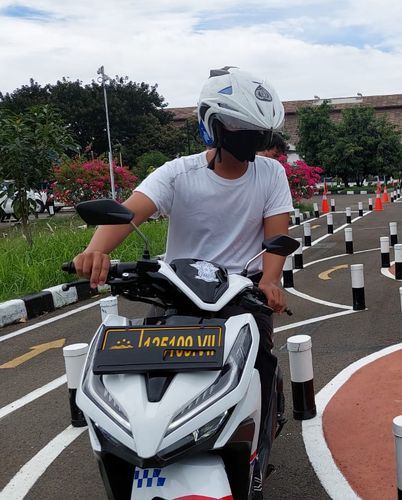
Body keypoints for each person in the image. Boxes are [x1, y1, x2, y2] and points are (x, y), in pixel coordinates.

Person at [72, 66, 293, 499]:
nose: (254, 139)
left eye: (258, 131)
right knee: (145, 372)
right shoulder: (178, 173)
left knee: (260, 365)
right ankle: (145, 446)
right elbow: (131, 211)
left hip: (240, 293)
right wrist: (97, 250)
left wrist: (270, 280)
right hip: (177, 290)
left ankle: (255, 459)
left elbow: (275, 237)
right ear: (214, 125)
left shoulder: (271, 175)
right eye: (243, 128)